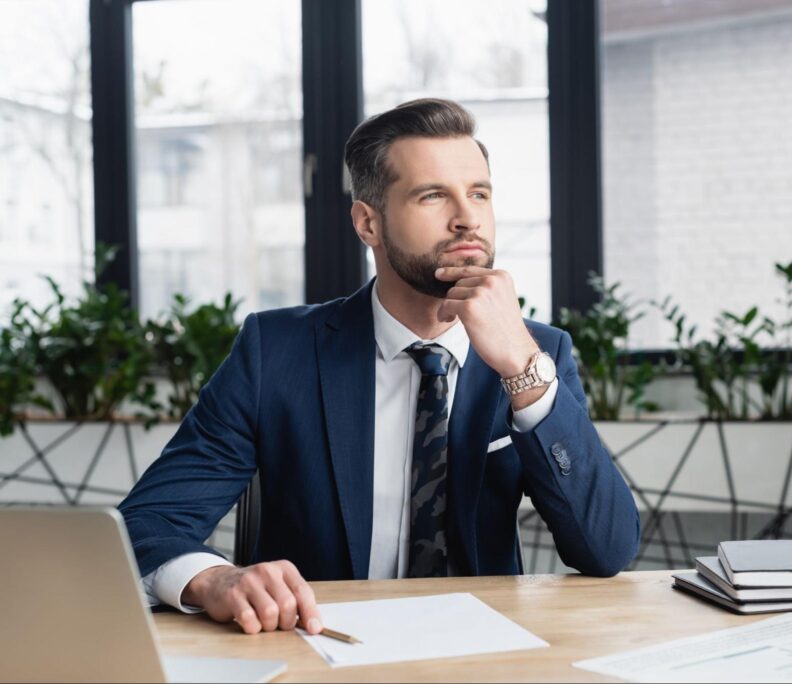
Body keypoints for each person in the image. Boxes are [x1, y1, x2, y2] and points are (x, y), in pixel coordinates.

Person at [118, 98, 640, 636]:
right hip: (320, 648)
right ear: (368, 222)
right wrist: (214, 579)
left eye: (479, 193)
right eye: (433, 195)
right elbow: (147, 523)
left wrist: (523, 371)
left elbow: (606, 548)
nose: (467, 218)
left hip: (485, 653)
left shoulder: (539, 354)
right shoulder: (275, 351)